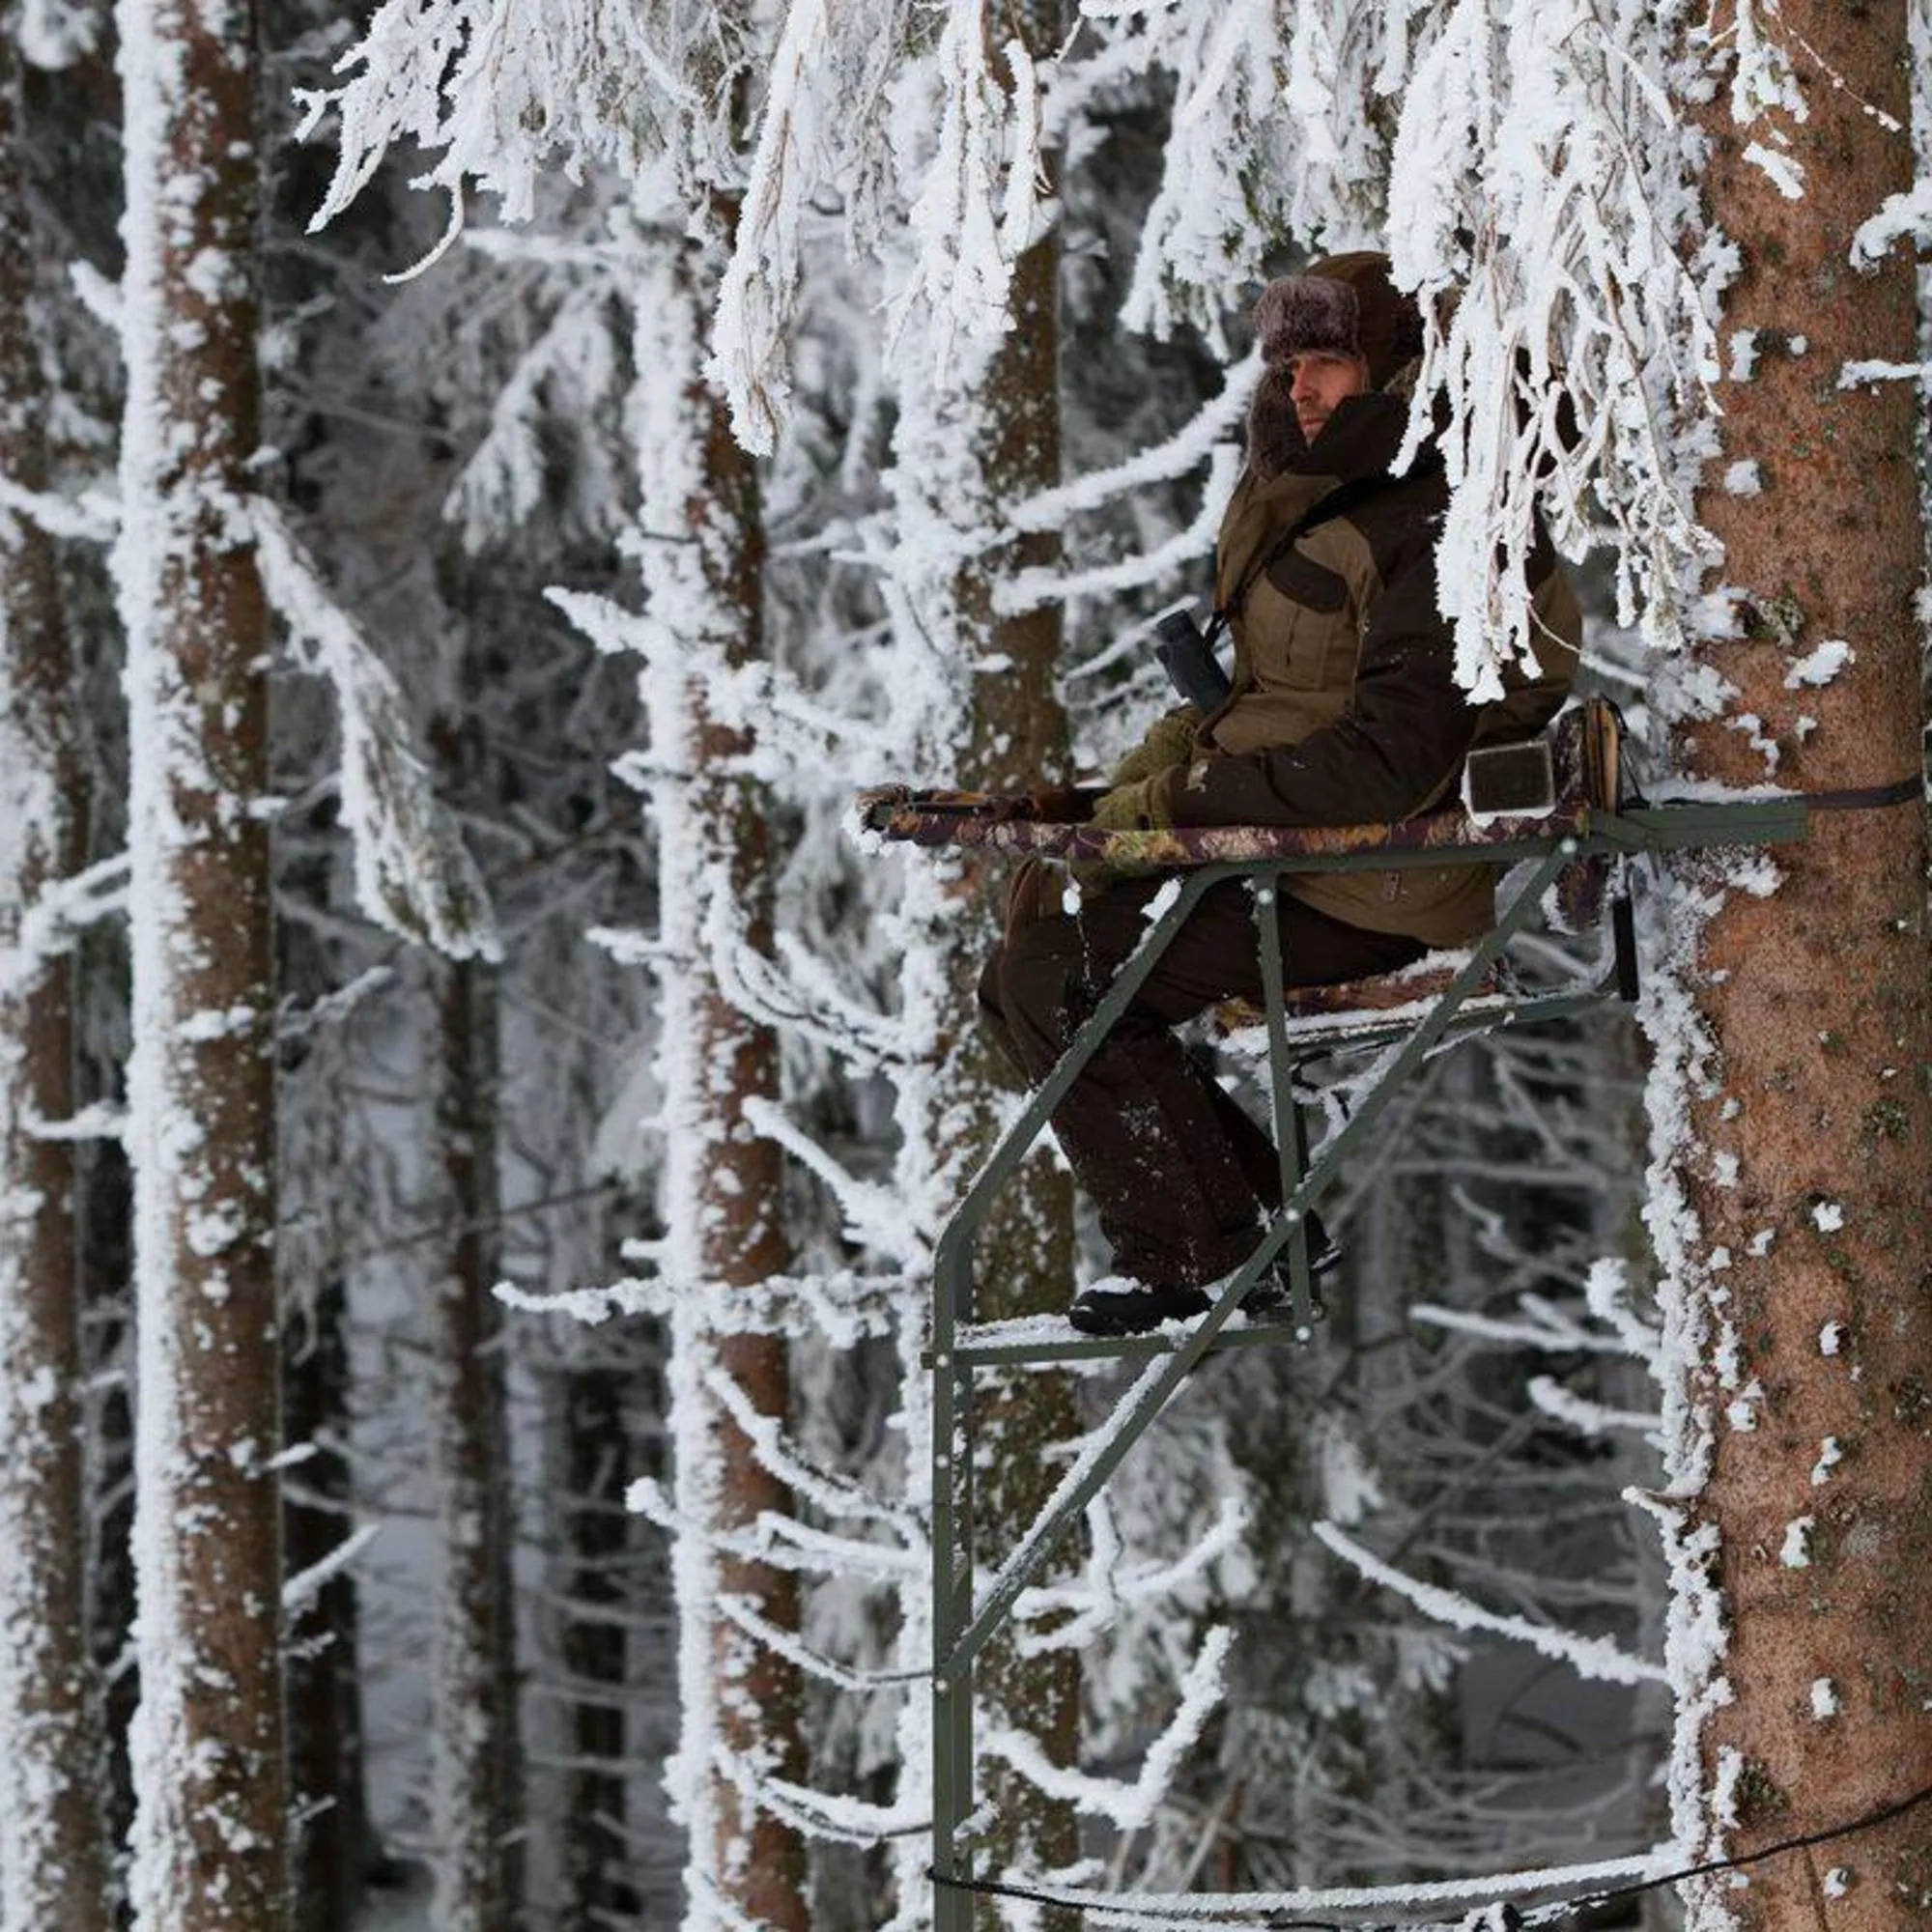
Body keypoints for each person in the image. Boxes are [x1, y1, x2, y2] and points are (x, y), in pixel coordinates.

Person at [978, 251, 1579, 1337]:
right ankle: (1243, 1229)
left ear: (1397, 370)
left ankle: (1203, 1252)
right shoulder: (1318, 499)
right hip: (1297, 844)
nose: (1299, 387)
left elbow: (1392, 760)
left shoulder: (1442, 518)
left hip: (1375, 873)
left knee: (1056, 973)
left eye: (1329, 363)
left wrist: (1175, 803)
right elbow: (1261, 696)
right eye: (1289, 363)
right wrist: (1122, 793)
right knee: (1033, 951)